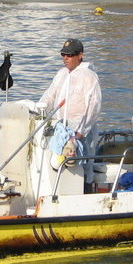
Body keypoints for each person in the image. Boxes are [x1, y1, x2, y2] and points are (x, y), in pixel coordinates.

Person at [37, 38, 101, 190]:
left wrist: (81, 132)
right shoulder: (61, 74)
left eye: (70, 55)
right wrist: (37, 111)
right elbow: (49, 96)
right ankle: (58, 192)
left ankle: (86, 192)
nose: (66, 58)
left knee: (82, 167)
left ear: (80, 55)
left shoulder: (89, 76)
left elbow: (94, 106)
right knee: (59, 165)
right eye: (63, 54)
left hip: (81, 132)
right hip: (61, 129)